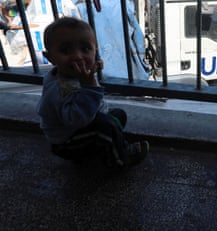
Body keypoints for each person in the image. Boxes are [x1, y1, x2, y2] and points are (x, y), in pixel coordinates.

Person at [36, 17, 149, 168]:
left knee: (118, 115)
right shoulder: (60, 88)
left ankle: (107, 144)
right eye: (65, 50)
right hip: (67, 140)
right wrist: (88, 85)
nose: (77, 56)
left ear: (95, 51)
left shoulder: (70, 73)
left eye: (85, 49)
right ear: (50, 57)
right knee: (106, 127)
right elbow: (77, 120)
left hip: (83, 125)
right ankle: (120, 159)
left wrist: (94, 68)